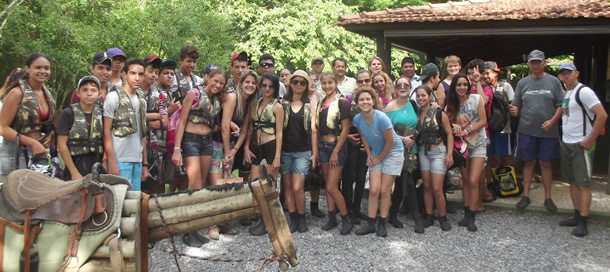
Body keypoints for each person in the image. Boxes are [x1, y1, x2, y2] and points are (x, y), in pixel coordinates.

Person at [171, 69, 226, 247]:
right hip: (190, 141)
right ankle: (189, 230)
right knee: (194, 185)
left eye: (221, 83)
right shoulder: (194, 93)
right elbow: (182, 121)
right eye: (215, 81)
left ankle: (196, 226)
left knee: (201, 184)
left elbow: (214, 123)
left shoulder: (216, 101)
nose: (217, 85)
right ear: (208, 79)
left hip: (207, 142)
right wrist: (177, 149)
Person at [557, 63, 607, 237]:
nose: (566, 76)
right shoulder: (568, 93)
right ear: (560, 77)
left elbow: (602, 115)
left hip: (580, 143)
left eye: (569, 73)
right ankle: (576, 215)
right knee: (572, 182)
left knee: (583, 183)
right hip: (567, 143)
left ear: (576, 73)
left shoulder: (583, 91)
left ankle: (584, 221)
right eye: (563, 74)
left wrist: (590, 139)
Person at [510, 50, 563, 211]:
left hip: (549, 131)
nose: (536, 65)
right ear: (529, 64)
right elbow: (516, 104)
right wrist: (514, 110)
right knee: (529, 162)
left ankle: (548, 198)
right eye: (533, 62)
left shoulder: (554, 82)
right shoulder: (522, 83)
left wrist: (552, 121)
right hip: (526, 129)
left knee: (546, 163)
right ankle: (525, 195)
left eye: (538, 62)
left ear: (544, 63)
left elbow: (561, 106)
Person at [352, 87, 404, 237]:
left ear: (373, 101)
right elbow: (363, 137)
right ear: (357, 103)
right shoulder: (357, 119)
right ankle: (370, 223)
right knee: (374, 189)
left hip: (393, 152)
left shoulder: (381, 118)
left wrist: (379, 158)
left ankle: (382, 222)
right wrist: (369, 154)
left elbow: (390, 142)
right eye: (361, 99)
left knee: (384, 190)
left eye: (368, 99)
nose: (365, 102)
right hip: (376, 153)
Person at [0, 53, 55, 177]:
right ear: (28, 69)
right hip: (15, 152)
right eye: (38, 67)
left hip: (38, 151)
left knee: (40, 192)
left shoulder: (47, 94)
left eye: (46, 68)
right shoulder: (17, 92)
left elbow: (45, 124)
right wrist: (32, 143)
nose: (43, 71)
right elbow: (3, 128)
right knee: (16, 193)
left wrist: (50, 135)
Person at [446, 73, 488, 232]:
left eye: (464, 84)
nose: (462, 87)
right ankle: (466, 212)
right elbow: (448, 123)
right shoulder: (451, 105)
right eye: (459, 85)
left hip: (478, 143)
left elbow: (483, 121)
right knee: (464, 179)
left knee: (473, 179)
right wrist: (454, 127)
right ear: (454, 87)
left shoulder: (476, 99)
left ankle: (472, 215)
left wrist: (466, 129)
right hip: (462, 147)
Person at [244, 72, 284, 236]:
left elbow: (280, 132)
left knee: (269, 185)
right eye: (264, 85)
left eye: (270, 86)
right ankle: (261, 215)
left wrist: (277, 156)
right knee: (255, 183)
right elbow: (250, 127)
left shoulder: (278, 106)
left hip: (271, 145)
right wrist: (246, 146)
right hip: (255, 145)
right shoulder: (256, 103)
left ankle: (269, 222)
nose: (267, 88)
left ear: (275, 88)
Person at [384, 76, 425, 233]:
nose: (402, 87)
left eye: (406, 85)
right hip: (396, 150)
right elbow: (385, 131)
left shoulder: (413, 105)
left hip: (412, 151)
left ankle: (393, 215)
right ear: (395, 88)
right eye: (399, 85)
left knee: (403, 185)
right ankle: (417, 219)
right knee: (408, 184)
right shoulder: (389, 108)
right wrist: (402, 139)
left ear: (410, 87)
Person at [103, 58, 148, 190]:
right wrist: (111, 162)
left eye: (140, 74)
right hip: (120, 159)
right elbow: (106, 131)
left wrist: (144, 164)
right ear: (125, 75)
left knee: (134, 202)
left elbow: (142, 133)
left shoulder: (141, 100)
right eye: (133, 73)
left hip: (137, 160)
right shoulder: (113, 97)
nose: (137, 78)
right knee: (120, 200)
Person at [280, 70, 317, 233]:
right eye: (296, 82)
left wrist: (314, 153)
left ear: (307, 85)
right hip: (285, 150)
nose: (299, 85)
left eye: (303, 82)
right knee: (287, 186)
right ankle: (293, 217)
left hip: (303, 150)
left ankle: (302, 217)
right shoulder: (282, 103)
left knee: (297, 187)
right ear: (290, 83)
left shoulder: (310, 104)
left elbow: (314, 130)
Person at [316, 72, 353, 235]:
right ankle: (332, 217)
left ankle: (346, 218)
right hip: (322, 146)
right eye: (324, 83)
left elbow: (345, 129)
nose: (327, 86)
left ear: (335, 83)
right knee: (328, 184)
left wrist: (336, 151)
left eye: (330, 83)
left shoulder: (342, 102)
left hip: (335, 147)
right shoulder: (321, 102)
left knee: (332, 186)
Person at [414, 85, 454, 231]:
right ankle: (429, 216)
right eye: (418, 96)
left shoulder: (439, 113)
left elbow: (449, 133)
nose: (421, 98)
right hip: (423, 151)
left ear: (430, 96)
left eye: (423, 95)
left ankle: (443, 217)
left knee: (437, 188)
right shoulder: (416, 113)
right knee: (427, 186)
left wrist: (449, 154)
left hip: (438, 151)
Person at [57, 76, 103, 181]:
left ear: (99, 94)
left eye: (93, 90)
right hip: (75, 163)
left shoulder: (102, 114)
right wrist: (74, 172)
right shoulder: (68, 113)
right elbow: (61, 145)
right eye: (85, 90)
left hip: (96, 163)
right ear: (78, 93)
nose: (89, 93)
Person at [341, 69, 372, 224]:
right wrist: (346, 137)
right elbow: (340, 123)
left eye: (367, 80)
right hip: (350, 144)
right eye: (360, 81)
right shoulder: (348, 100)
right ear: (356, 82)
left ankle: (357, 208)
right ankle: (348, 210)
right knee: (349, 177)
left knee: (361, 178)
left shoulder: (374, 100)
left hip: (366, 146)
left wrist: (370, 145)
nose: (364, 83)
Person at [483, 61, 515, 200]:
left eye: (488, 73)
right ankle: (489, 182)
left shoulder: (505, 86)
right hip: (488, 127)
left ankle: (504, 182)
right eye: (483, 73)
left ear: (495, 73)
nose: (485, 76)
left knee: (503, 156)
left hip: (503, 127)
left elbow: (513, 104)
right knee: (488, 156)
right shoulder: (482, 88)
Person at [466, 59, 495, 207]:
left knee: (479, 170)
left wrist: (477, 83)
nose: (472, 76)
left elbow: (483, 102)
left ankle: (480, 201)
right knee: (472, 171)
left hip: (482, 134)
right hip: (466, 135)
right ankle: (479, 197)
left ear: (482, 74)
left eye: (475, 73)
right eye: (470, 73)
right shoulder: (466, 87)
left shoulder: (486, 88)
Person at [140, 55, 168, 195]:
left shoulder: (160, 95)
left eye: (157, 72)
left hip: (153, 148)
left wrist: (142, 118)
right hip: (131, 147)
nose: (154, 75)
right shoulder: (131, 92)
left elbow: (164, 122)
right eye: (151, 70)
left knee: (152, 186)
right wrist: (153, 116)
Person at [307, 71, 325, 218]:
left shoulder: (321, 98)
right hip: (301, 138)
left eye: (315, 81)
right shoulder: (298, 97)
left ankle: (315, 205)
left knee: (316, 173)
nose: (313, 83)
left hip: (319, 137)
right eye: (310, 80)